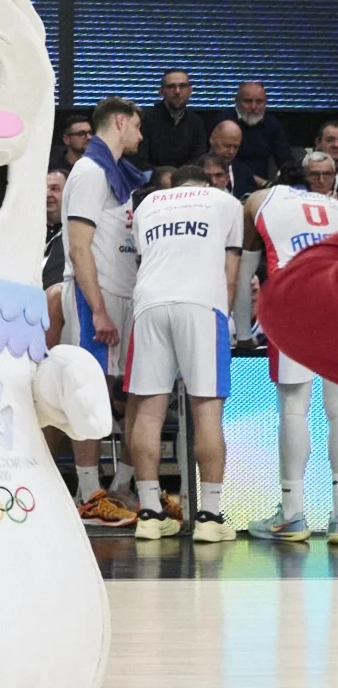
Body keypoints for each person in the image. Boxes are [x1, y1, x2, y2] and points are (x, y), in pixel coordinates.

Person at [124, 164, 242, 543]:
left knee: (148, 409)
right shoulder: (223, 201)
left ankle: (148, 513)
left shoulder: (147, 204)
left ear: (173, 185)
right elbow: (231, 268)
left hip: (149, 304)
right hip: (201, 304)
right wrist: (229, 317)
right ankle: (208, 516)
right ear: (207, 183)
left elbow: (144, 257)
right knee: (206, 407)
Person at [62, 97, 146, 527]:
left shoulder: (119, 175)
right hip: (96, 296)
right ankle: (88, 491)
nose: (141, 135)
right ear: (119, 121)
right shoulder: (89, 172)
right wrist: (97, 309)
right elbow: (79, 248)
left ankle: (122, 487)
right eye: (137, 126)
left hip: (126, 294)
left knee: (136, 392)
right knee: (88, 388)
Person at [250, 154, 338, 538]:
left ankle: (292, 512)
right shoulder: (334, 205)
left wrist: (243, 323)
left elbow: (244, 261)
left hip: (295, 302)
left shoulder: (262, 200)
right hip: (334, 298)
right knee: (337, 414)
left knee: (293, 409)